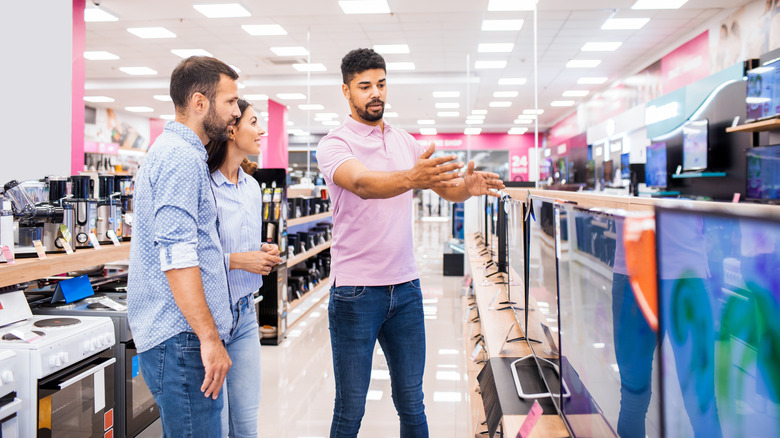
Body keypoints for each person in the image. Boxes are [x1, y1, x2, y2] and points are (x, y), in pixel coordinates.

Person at [315, 48, 505, 438]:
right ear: (346, 91)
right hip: (355, 292)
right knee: (350, 408)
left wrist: (465, 188)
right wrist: (413, 178)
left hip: (406, 289)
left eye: (381, 84)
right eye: (365, 86)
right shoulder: (335, 144)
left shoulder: (405, 141)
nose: (375, 93)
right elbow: (364, 184)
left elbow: (444, 187)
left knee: (412, 402)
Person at [127, 56, 241, 437]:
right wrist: (209, 339)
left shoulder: (181, 153)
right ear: (199, 102)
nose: (236, 112)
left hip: (181, 338)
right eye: (230, 102)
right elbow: (177, 257)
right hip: (183, 340)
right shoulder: (180, 158)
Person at [205, 98, 284, 438]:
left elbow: (246, 246)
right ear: (231, 127)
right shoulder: (204, 185)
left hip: (246, 314)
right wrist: (239, 260)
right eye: (254, 122)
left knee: (246, 423)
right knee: (216, 424)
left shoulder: (252, 188)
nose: (262, 130)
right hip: (210, 317)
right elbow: (191, 257)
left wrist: (264, 251)